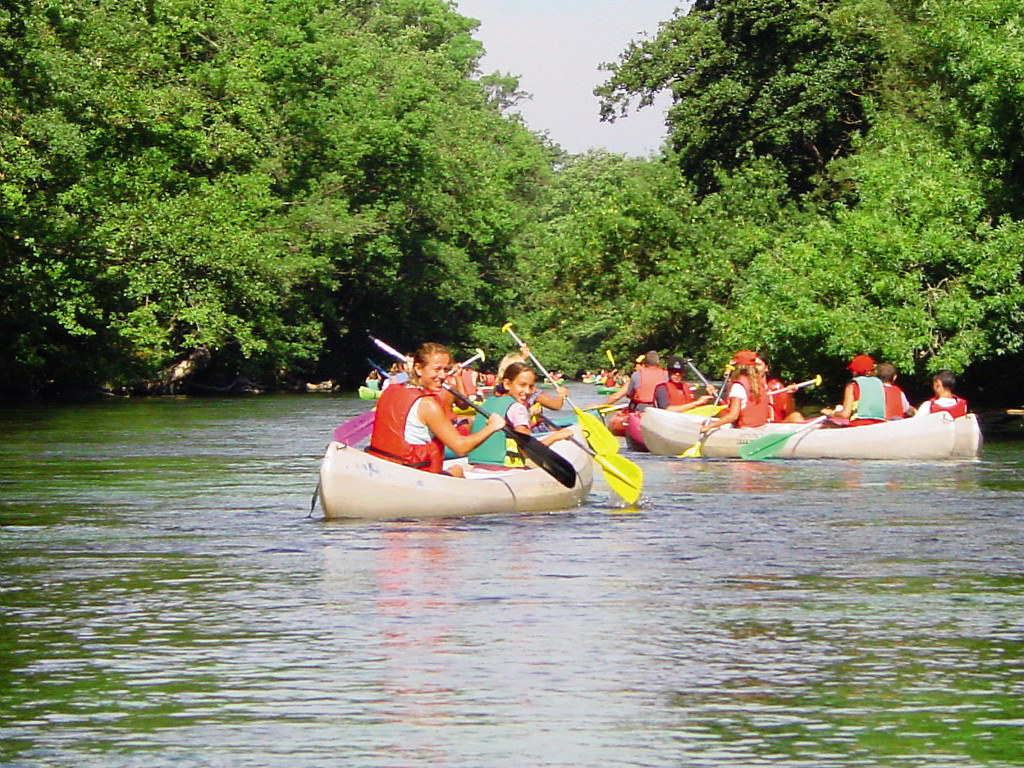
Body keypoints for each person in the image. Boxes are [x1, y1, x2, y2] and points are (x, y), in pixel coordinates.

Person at [368, 342, 505, 478]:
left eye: (445, 370)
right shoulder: (427, 404)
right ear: (419, 369)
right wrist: (492, 427)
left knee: (456, 470)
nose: (443, 375)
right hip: (416, 476)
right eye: (437, 369)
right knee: (457, 470)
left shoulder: (390, 390)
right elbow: (461, 448)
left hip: (385, 469)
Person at [468, 362, 574, 467]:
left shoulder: (488, 402)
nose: (527, 391)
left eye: (531, 386)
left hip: (478, 466)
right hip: (505, 469)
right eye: (522, 385)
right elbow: (529, 451)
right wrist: (556, 436)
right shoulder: (518, 408)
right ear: (507, 384)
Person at [700, 350, 770, 433]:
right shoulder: (761, 383)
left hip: (745, 431)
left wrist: (710, 426)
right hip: (762, 427)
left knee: (706, 424)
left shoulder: (738, 386)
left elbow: (733, 416)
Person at [596, 351, 667, 413]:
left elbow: (620, 395)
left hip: (642, 409)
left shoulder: (637, 375)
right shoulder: (666, 374)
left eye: (636, 364)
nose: (634, 367)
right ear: (657, 362)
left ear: (643, 364)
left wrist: (602, 406)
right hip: (661, 410)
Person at [822, 354, 882, 426]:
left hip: (858, 425)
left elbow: (845, 414)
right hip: (879, 424)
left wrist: (831, 413)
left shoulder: (852, 385)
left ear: (855, 371)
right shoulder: (879, 383)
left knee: (828, 425)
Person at [758, 355, 806, 423]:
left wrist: (789, 394)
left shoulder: (776, 386)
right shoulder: (745, 387)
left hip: (777, 424)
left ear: (766, 368)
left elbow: (788, 411)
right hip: (758, 425)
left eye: (758, 365)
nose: (755, 368)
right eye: (752, 366)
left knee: (796, 416)